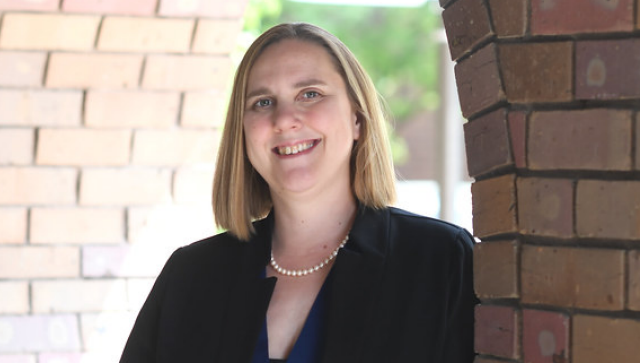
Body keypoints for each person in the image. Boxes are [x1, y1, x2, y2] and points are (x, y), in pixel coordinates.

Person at [120, 22, 477, 363]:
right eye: (262, 102)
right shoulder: (192, 276)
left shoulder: (440, 262)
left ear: (357, 118)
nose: (284, 119)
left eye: (310, 94)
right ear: (242, 133)